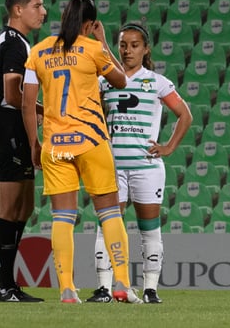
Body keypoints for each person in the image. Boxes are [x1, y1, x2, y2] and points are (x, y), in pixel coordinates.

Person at [22, 0, 143, 304]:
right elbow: (121, 80)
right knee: (110, 213)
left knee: (62, 217)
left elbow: (26, 103)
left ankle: (66, 289)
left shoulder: (38, 51)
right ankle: (121, 284)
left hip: (55, 145)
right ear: (90, 24)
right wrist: (103, 41)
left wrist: (35, 144)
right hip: (91, 142)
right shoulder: (92, 49)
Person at [86, 22, 193, 304]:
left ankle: (150, 289)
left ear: (146, 49)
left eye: (134, 45)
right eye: (123, 45)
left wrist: (169, 146)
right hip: (112, 167)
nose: (128, 50)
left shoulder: (156, 81)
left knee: (149, 229)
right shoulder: (104, 81)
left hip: (147, 168)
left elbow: (185, 114)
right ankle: (104, 288)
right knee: (106, 226)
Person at [0, 0, 47, 302]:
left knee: (25, 206)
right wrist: (43, 110)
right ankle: (5, 285)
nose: (44, 11)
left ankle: (8, 283)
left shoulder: (16, 41)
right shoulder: (13, 42)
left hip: (14, 127)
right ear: (18, 10)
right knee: (11, 207)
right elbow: (12, 93)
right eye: (37, 5)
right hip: (8, 125)